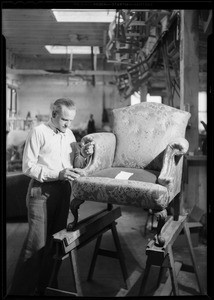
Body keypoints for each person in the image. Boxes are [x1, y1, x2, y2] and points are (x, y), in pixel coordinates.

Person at [9, 98, 94, 296]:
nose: (68, 124)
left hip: (63, 191)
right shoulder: (39, 132)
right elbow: (28, 167)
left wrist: (84, 154)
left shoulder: (70, 133)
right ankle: (19, 292)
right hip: (41, 192)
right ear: (53, 115)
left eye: (71, 120)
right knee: (36, 244)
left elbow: (76, 164)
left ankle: (44, 286)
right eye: (64, 119)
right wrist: (58, 174)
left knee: (55, 244)